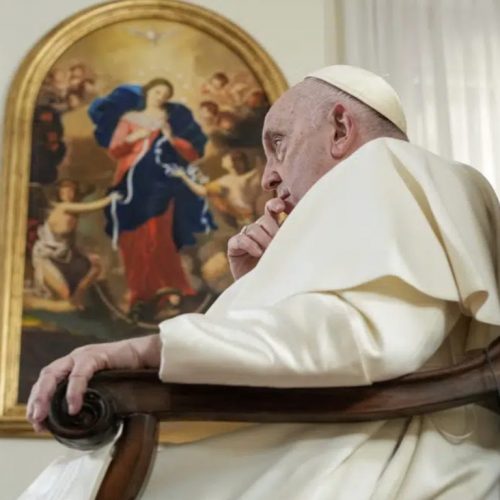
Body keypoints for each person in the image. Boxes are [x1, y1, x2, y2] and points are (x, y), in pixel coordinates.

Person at [24, 65, 500, 499]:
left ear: (340, 129)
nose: (268, 177)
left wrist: (138, 351)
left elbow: (365, 337)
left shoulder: (388, 163)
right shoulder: (377, 187)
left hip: (368, 460)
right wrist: (262, 283)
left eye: (278, 144)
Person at [90, 78, 216, 317]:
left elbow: (189, 153)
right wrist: (133, 137)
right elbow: (115, 150)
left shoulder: (169, 121)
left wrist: (171, 139)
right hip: (132, 181)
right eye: (158, 91)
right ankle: (140, 291)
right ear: (148, 93)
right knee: (132, 236)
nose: (160, 97)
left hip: (159, 182)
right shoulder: (130, 119)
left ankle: (166, 288)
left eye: (165, 94)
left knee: (158, 234)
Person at [25, 180, 119, 312]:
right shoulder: (62, 207)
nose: (67, 193)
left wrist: (85, 254)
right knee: (65, 295)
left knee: (96, 267)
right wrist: (109, 199)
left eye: (71, 190)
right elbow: (90, 207)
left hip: (63, 254)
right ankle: (67, 302)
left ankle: (78, 298)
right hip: (45, 256)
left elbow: (70, 241)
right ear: (59, 192)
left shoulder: (73, 214)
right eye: (64, 190)